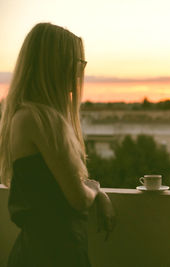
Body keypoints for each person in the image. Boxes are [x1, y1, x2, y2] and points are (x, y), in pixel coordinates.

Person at [0, 23, 116, 267]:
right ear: (57, 65)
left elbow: (52, 184)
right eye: (78, 64)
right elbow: (77, 198)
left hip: (36, 251)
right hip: (56, 253)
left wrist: (97, 191)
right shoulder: (43, 120)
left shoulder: (23, 116)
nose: (78, 73)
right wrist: (94, 191)